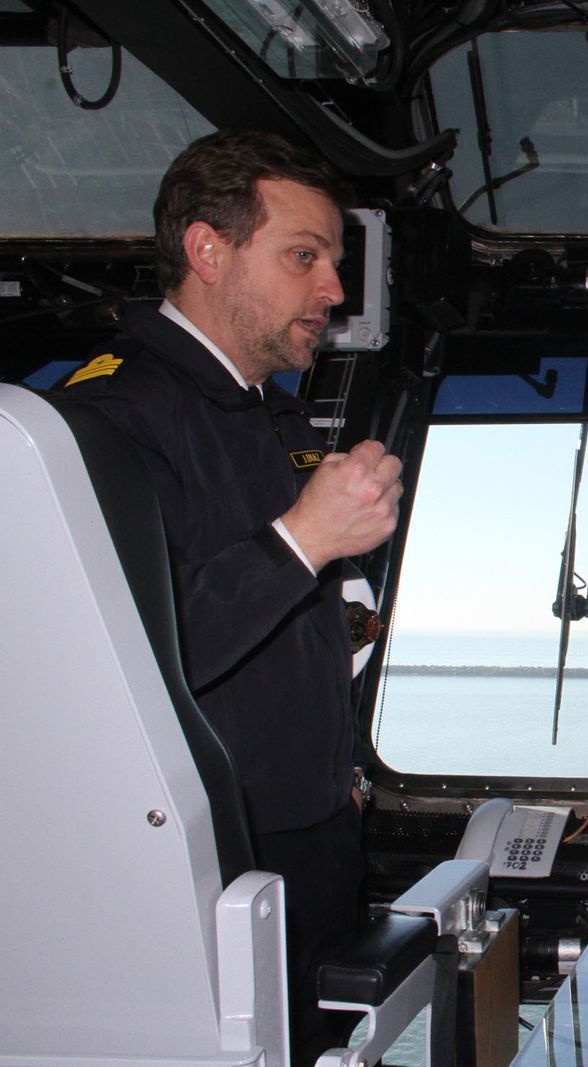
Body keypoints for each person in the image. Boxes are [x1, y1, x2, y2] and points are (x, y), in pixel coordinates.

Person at [56, 129, 402, 1065]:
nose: (334, 288)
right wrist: (306, 538)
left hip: (314, 836)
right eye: (305, 257)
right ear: (208, 250)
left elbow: (257, 605)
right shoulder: (107, 418)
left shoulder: (265, 409)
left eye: (334, 260)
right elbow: (131, 667)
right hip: (209, 865)